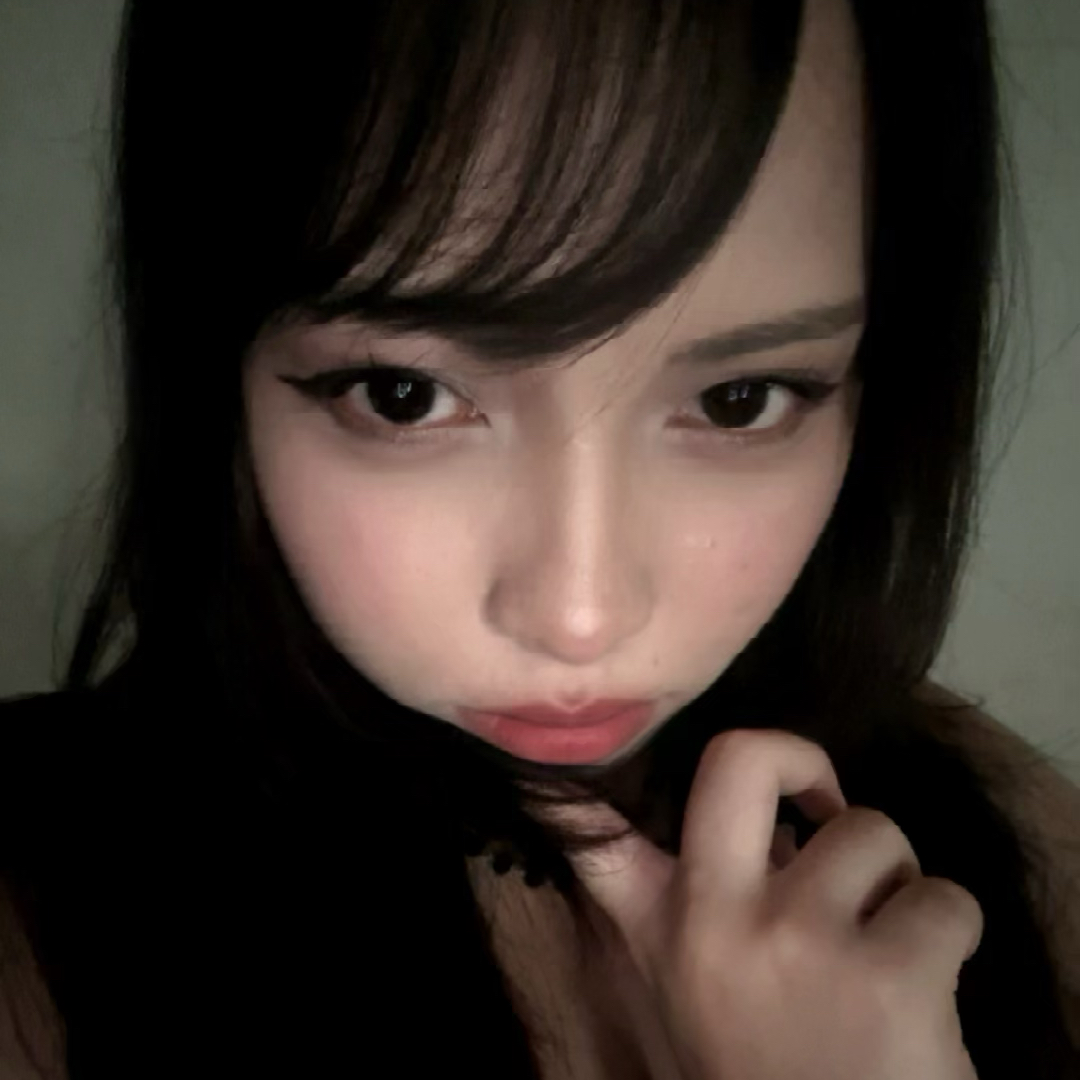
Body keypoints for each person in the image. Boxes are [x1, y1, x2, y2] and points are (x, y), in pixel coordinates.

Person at [1, 0, 1078, 1077]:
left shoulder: (998, 835)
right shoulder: (38, 925)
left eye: (741, 400)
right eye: (405, 394)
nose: (579, 617)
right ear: (217, 368)